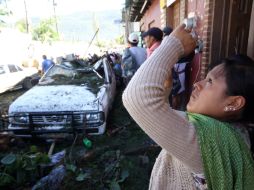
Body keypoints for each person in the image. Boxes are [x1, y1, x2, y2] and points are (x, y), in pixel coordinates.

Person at [123, 24, 254, 189]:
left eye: (210, 81)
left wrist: (173, 45)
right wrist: (165, 90)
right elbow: (168, 122)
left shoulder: (208, 141)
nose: (197, 84)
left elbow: (136, 97)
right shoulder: (232, 135)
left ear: (234, 103)